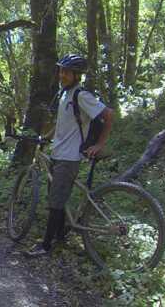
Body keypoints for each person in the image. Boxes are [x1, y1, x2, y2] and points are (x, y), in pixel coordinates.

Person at [25, 53, 114, 257]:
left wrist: (100, 144)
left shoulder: (81, 95)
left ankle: (45, 246)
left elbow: (108, 115)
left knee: (55, 202)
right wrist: (45, 137)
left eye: (67, 72)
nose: (62, 75)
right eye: (61, 71)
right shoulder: (65, 94)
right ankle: (59, 238)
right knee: (57, 198)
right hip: (58, 153)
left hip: (70, 157)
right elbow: (62, 125)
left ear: (76, 75)